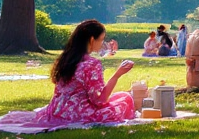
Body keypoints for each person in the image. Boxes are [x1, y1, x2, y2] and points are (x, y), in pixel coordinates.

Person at [0, 20, 136, 128]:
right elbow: (99, 101)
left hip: (57, 110)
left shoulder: (66, 58)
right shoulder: (92, 64)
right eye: (101, 39)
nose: (102, 44)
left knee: (120, 96)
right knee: (125, 99)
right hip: (79, 114)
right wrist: (117, 75)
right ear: (91, 40)